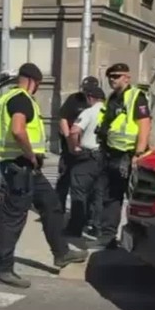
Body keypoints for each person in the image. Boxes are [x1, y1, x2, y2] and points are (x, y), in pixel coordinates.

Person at [0, 63, 88, 288]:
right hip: (21, 166)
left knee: (52, 205)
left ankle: (61, 253)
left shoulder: (8, 97)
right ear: (33, 81)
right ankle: (3, 269)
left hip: (26, 168)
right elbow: (17, 129)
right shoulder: (21, 98)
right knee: (13, 218)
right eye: (39, 84)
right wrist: (31, 155)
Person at [93, 63, 152, 250]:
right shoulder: (112, 97)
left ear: (127, 77)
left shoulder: (136, 96)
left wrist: (139, 153)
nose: (112, 79)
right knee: (111, 196)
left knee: (135, 198)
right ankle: (108, 236)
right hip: (110, 153)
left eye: (117, 76)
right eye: (111, 76)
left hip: (128, 155)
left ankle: (142, 238)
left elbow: (144, 125)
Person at [65, 86, 107, 238]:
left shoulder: (89, 112)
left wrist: (74, 147)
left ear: (90, 98)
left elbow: (74, 131)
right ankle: (97, 227)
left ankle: (75, 227)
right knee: (99, 194)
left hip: (88, 157)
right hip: (105, 158)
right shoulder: (109, 112)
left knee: (79, 192)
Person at [56, 76, 101, 213]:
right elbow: (63, 118)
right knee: (64, 179)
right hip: (70, 146)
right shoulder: (74, 99)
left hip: (87, 150)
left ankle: (87, 216)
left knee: (88, 186)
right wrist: (68, 137)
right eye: (84, 90)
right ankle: (58, 209)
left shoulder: (98, 103)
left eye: (89, 92)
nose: (86, 94)